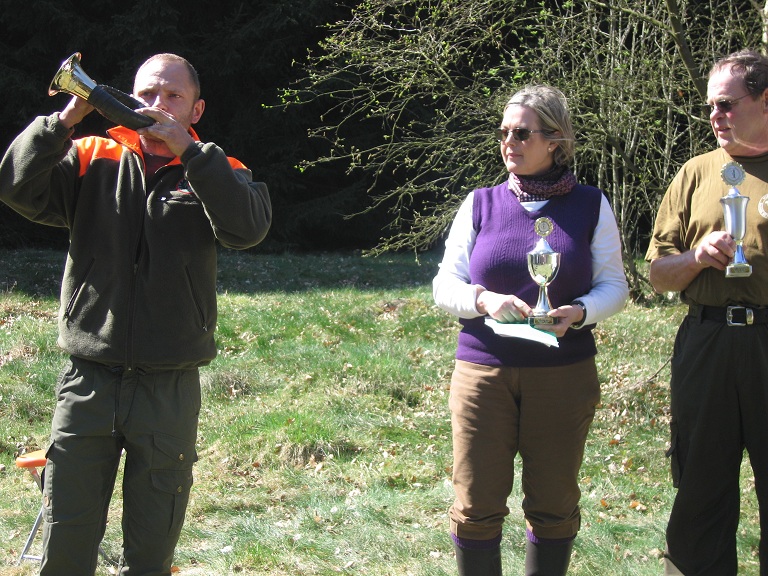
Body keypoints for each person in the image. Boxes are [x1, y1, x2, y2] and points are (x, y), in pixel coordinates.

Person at [0, 53, 271, 575]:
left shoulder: (220, 169)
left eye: (173, 96)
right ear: (128, 95)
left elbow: (248, 228)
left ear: (196, 110)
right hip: (88, 381)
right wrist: (64, 120)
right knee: (66, 542)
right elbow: (14, 185)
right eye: (147, 93)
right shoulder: (90, 155)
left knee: (151, 548)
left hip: (168, 387)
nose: (157, 104)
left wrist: (190, 153)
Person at [432, 84, 628, 575]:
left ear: (555, 140)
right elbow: (444, 285)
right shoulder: (479, 203)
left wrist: (579, 311)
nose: (508, 143)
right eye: (503, 132)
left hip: (563, 374)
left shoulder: (591, 205)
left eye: (521, 133)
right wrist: (483, 300)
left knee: (554, 505)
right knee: (475, 506)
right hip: (483, 374)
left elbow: (615, 287)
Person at [646, 48, 768, 576]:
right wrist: (696, 258)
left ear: (765, 101)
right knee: (700, 486)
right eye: (710, 106)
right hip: (707, 341)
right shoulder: (695, 173)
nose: (715, 115)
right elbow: (657, 274)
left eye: (727, 104)